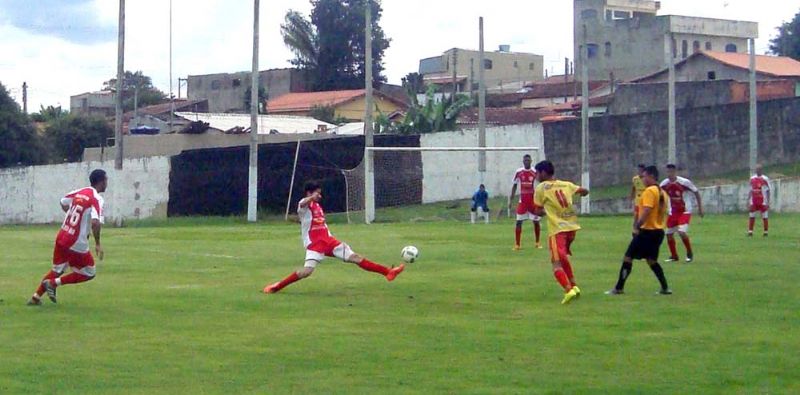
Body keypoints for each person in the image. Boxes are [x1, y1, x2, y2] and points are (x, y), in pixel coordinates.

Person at [263, 182, 405, 294]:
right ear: (309, 193)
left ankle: (388, 272)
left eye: (319, 193)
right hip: (315, 245)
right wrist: (310, 198)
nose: (319, 196)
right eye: (316, 193)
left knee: (355, 257)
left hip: (329, 241)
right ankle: (277, 286)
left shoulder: (318, 207)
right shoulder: (305, 206)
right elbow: (301, 203)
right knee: (306, 272)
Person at [28, 169, 107, 305]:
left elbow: (63, 202)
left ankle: (35, 298)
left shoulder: (80, 192)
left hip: (63, 235)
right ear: (101, 181)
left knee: (57, 269)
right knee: (89, 272)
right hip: (76, 242)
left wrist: (72, 216)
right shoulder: (97, 199)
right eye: (106, 180)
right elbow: (95, 222)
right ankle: (53, 283)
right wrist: (98, 243)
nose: (107, 183)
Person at [606, 165, 672, 296]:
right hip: (658, 232)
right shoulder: (663, 193)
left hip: (647, 231)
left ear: (652, 176)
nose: (643, 179)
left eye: (645, 176)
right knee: (651, 260)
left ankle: (619, 288)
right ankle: (665, 287)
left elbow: (647, 210)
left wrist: (637, 225)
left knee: (628, 257)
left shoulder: (649, 191)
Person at [533, 160, 589, 305]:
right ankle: (574, 286)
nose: (536, 176)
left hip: (557, 230)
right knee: (563, 258)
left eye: (538, 173)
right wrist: (582, 194)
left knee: (556, 263)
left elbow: (537, 211)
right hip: (571, 228)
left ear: (544, 173)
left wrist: (547, 210)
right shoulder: (566, 184)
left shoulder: (542, 188)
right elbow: (584, 191)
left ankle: (567, 290)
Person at [661, 164, 704, 263]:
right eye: (667, 172)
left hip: (685, 211)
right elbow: (660, 195)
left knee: (681, 232)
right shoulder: (664, 184)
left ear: (675, 172)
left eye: (671, 172)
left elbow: (696, 192)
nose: (669, 174)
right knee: (668, 234)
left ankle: (689, 253)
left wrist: (700, 208)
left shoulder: (684, 182)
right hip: (673, 212)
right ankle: (674, 256)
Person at [509, 154, 542, 250]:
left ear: (531, 161)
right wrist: (511, 199)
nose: (526, 162)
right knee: (518, 222)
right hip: (522, 201)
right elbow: (514, 185)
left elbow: (540, 183)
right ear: (523, 161)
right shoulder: (519, 172)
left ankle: (537, 242)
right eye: (525, 160)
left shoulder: (534, 172)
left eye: (528, 160)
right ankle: (517, 244)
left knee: (536, 222)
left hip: (532, 201)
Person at [748, 164, 770, 237]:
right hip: (753, 200)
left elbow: (768, 190)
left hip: (763, 200)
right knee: (751, 215)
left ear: (761, 170)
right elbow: (750, 190)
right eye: (757, 169)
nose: (758, 171)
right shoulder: (752, 179)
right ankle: (750, 231)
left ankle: (765, 232)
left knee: (765, 216)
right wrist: (748, 200)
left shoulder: (765, 179)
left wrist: (768, 201)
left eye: (759, 169)